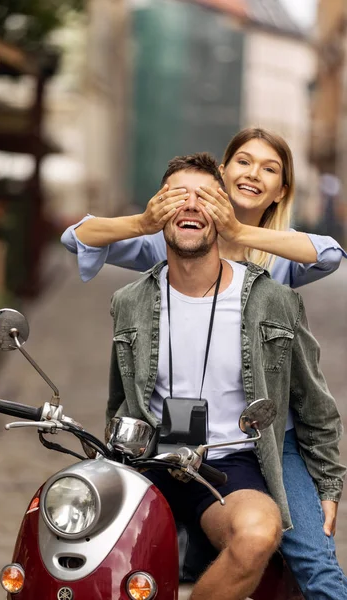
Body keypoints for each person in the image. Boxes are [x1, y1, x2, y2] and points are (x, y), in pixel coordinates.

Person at [61, 129, 347, 599]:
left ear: (281, 191)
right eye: (243, 162)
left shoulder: (275, 276)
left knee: (307, 557)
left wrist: (236, 232)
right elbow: (78, 237)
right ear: (225, 170)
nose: (253, 174)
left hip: (265, 439)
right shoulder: (166, 247)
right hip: (166, 443)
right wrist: (147, 220)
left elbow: (330, 255)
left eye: (270, 168)